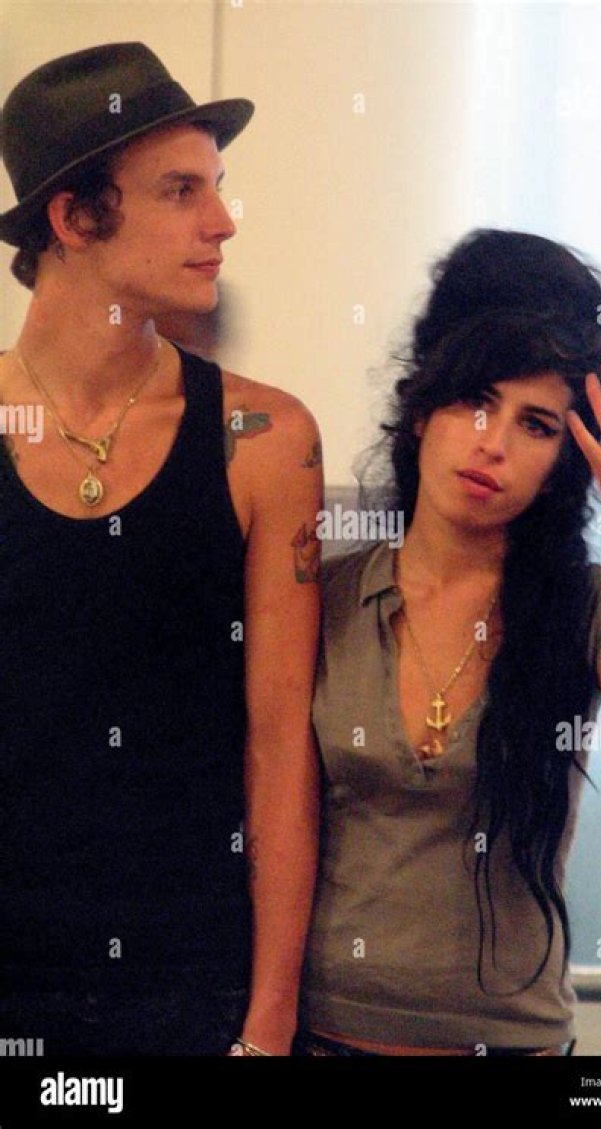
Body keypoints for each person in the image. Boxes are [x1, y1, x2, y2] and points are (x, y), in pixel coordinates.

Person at [297, 229, 601, 1056]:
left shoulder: (586, 605)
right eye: (475, 399)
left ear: (561, 463)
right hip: (327, 1029)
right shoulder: (324, 597)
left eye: (537, 424)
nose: (494, 442)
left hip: (512, 1040)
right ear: (422, 407)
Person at [0, 43, 321, 1056]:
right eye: (181, 191)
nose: (222, 220)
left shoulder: (265, 439)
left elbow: (281, 748)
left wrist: (268, 1026)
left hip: (188, 982)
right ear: (73, 218)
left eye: (215, 185)